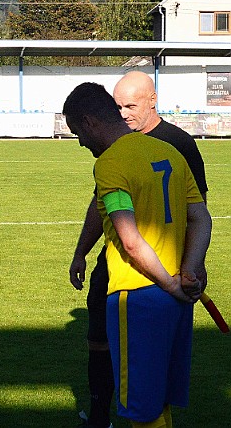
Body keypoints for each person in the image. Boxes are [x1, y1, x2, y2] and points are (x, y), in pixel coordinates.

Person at [63, 82, 211, 428]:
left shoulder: (111, 164)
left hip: (139, 295)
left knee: (142, 409)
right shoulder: (169, 153)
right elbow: (201, 216)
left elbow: (130, 240)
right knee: (159, 403)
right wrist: (187, 271)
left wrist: (169, 285)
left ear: (89, 122)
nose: (81, 142)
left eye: (77, 133)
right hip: (176, 294)